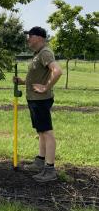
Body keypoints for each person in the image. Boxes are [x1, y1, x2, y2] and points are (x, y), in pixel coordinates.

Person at [14, 26, 63, 182]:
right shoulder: (37, 54)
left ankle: (50, 170)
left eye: (31, 35)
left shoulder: (45, 53)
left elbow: (57, 71)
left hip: (40, 100)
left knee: (47, 132)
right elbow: (39, 76)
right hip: (35, 99)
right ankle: (40, 162)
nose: (28, 38)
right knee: (41, 132)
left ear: (40, 38)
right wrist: (23, 81)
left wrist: (46, 87)